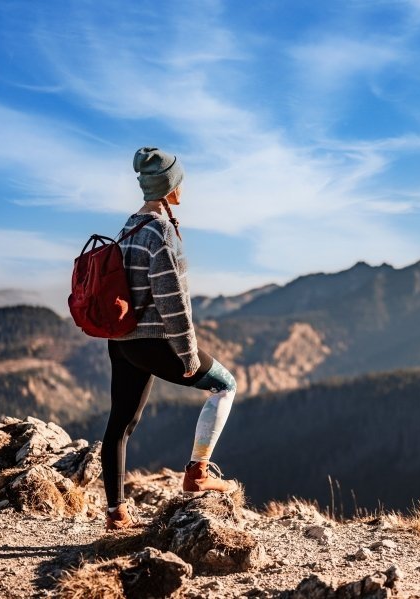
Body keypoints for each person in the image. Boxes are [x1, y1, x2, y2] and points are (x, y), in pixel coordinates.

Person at [101, 147, 239, 530]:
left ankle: (116, 512)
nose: (183, 187)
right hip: (154, 342)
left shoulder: (127, 227)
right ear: (170, 186)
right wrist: (188, 353)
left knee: (121, 424)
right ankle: (198, 472)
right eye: (179, 181)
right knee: (225, 386)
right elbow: (172, 301)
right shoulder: (159, 231)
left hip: (121, 341)